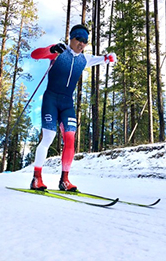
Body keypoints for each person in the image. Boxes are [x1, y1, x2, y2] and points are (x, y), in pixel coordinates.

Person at [30, 24, 117, 192]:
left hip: (67, 103)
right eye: (79, 39)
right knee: (49, 137)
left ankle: (64, 180)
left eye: (85, 41)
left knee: (70, 138)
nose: (82, 44)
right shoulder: (59, 51)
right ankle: (37, 178)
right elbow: (35, 55)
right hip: (51, 99)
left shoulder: (85, 59)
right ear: (71, 38)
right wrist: (52, 49)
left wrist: (109, 58)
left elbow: (101, 59)